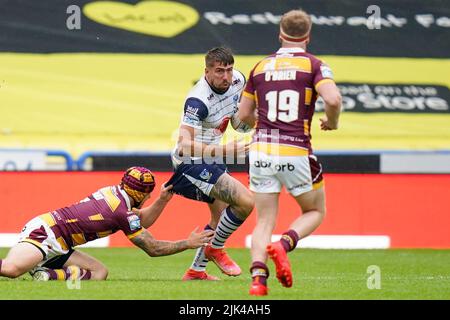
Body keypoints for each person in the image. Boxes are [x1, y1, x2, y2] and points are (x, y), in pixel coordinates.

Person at [238, 9, 342, 295]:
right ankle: (283, 245)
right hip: (295, 149)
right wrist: (331, 122)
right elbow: (333, 99)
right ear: (307, 36)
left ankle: (258, 280)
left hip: (261, 150)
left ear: (280, 34)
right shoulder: (314, 65)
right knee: (314, 210)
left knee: (264, 220)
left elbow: (242, 114)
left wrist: (263, 123)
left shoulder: (259, 67)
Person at [0, 166, 214, 281]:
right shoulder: (121, 211)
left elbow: (141, 220)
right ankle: (38, 267)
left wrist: (162, 199)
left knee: (99, 273)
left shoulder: (116, 194)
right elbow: (153, 248)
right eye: (148, 194)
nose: (149, 198)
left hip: (60, 240)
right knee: (11, 270)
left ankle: (45, 274)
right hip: (46, 233)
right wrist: (188, 243)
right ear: (139, 193)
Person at [167, 46, 255, 281]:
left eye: (228, 69)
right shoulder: (197, 100)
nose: (225, 76)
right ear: (206, 71)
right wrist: (225, 150)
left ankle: (196, 271)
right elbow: (185, 145)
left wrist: (257, 116)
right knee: (245, 202)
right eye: (219, 71)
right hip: (189, 163)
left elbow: (239, 123)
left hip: (212, 159)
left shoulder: (238, 80)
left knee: (219, 219)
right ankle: (215, 248)